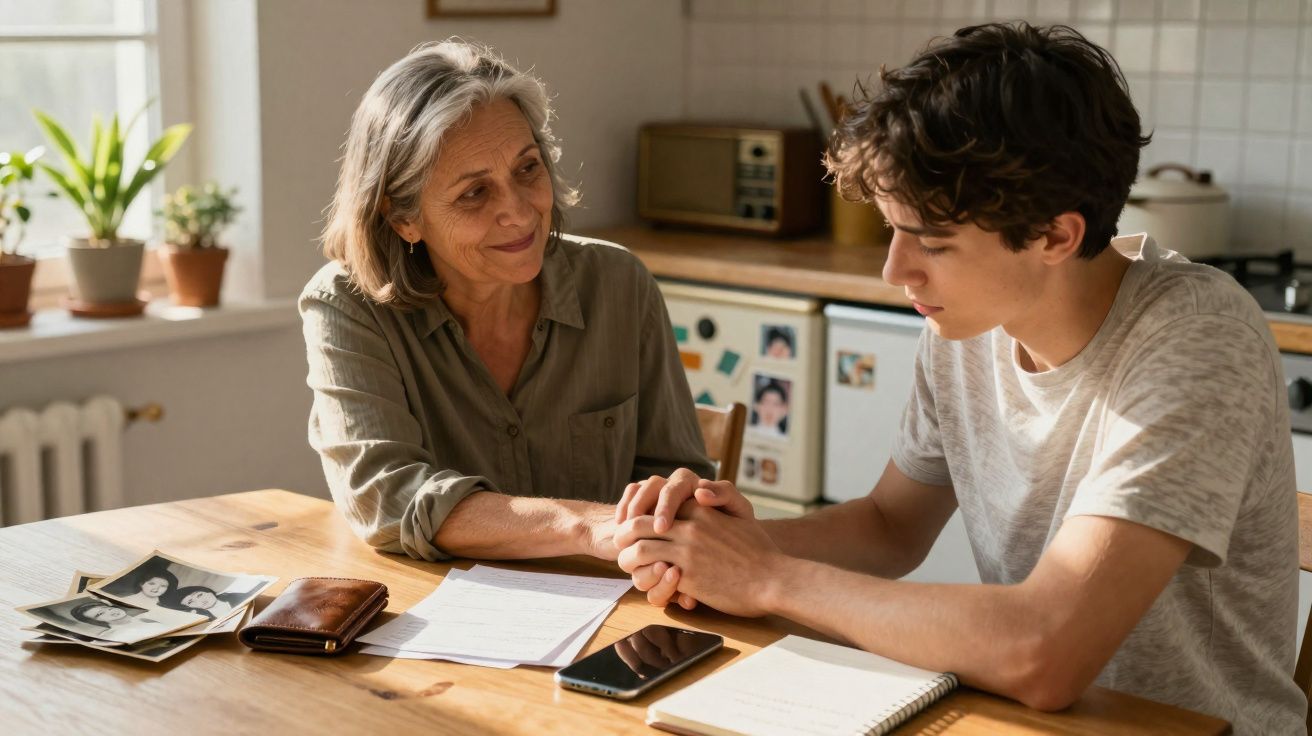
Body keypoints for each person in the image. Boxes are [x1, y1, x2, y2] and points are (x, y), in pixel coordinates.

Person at [612, 23, 1306, 734]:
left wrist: (767, 578)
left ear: (1055, 236)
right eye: (893, 229)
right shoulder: (971, 325)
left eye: (933, 243)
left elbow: (1045, 651)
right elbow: (889, 527)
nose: (895, 271)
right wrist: (722, 546)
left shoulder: (1198, 336)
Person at [302, 39, 712, 564]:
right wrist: (582, 527)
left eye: (527, 169)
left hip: (618, 601)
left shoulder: (619, 284)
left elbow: (680, 483)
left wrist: (675, 504)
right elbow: (387, 496)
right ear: (402, 218)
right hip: (434, 607)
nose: (519, 212)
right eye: (474, 193)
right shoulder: (348, 307)